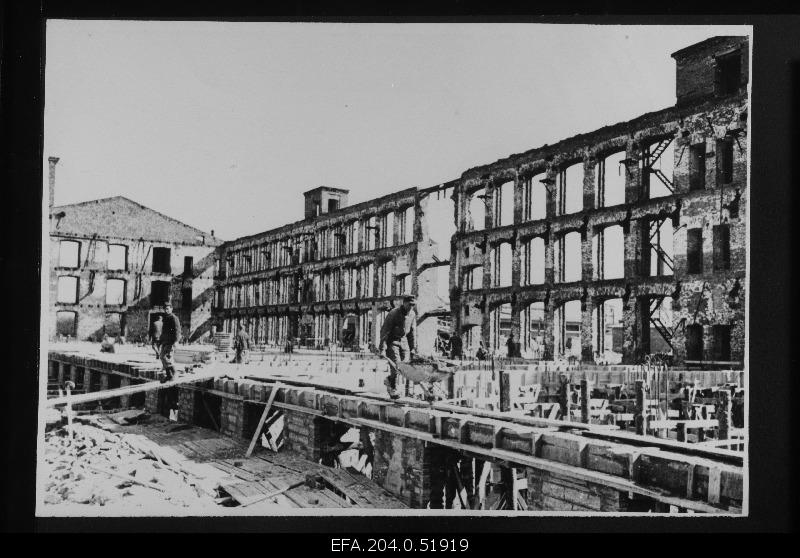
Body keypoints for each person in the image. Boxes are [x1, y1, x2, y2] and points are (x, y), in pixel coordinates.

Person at [377, 295, 417, 398]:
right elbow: (384, 331)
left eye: (413, 305)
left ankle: (389, 380)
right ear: (404, 303)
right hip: (392, 341)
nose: (411, 307)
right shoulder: (394, 313)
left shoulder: (412, 314)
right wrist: (382, 349)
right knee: (396, 365)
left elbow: (412, 332)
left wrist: (413, 348)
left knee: (404, 366)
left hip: (404, 342)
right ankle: (393, 389)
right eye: (409, 304)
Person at [159, 302, 181, 383]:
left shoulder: (174, 318)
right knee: (161, 356)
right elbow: (163, 331)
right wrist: (160, 341)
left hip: (171, 342)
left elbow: (177, 330)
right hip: (165, 341)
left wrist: (176, 341)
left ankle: (174, 372)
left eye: (168, 309)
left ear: (171, 309)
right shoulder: (166, 318)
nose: (166, 310)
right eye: (165, 309)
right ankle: (168, 375)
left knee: (166, 357)